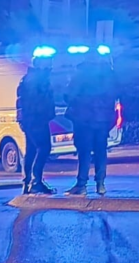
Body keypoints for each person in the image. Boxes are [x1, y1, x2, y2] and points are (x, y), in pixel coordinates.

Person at [65, 52, 118, 197]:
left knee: (85, 152)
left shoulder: (81, 74)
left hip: (85, 119)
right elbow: (116, 94)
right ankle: (100, 184)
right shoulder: (109, 75)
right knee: (101, 151)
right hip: (103, 120)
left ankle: (81, 185)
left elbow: (70, 94)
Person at [17, 56, 57, 195]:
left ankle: (28, 182)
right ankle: (36, 182)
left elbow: (20, 101)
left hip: (31, 120)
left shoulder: (29, 78)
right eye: (48, 63)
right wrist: (47, 113)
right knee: (44, 148)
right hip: (37, 120)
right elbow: (39, 102)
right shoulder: (37, 80)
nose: (50, 66)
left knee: (32, 151)